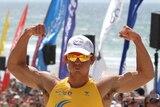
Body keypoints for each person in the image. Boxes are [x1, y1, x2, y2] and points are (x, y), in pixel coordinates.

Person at [7, 24, 154, 107]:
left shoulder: (102, 88)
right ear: (66, 59)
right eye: (73, 55)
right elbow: (14, 66)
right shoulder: (51, 85)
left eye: (82, 56)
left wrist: (137, 40)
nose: (77, 61)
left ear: (92, 60)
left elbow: (146, 75)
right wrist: (27, 34)